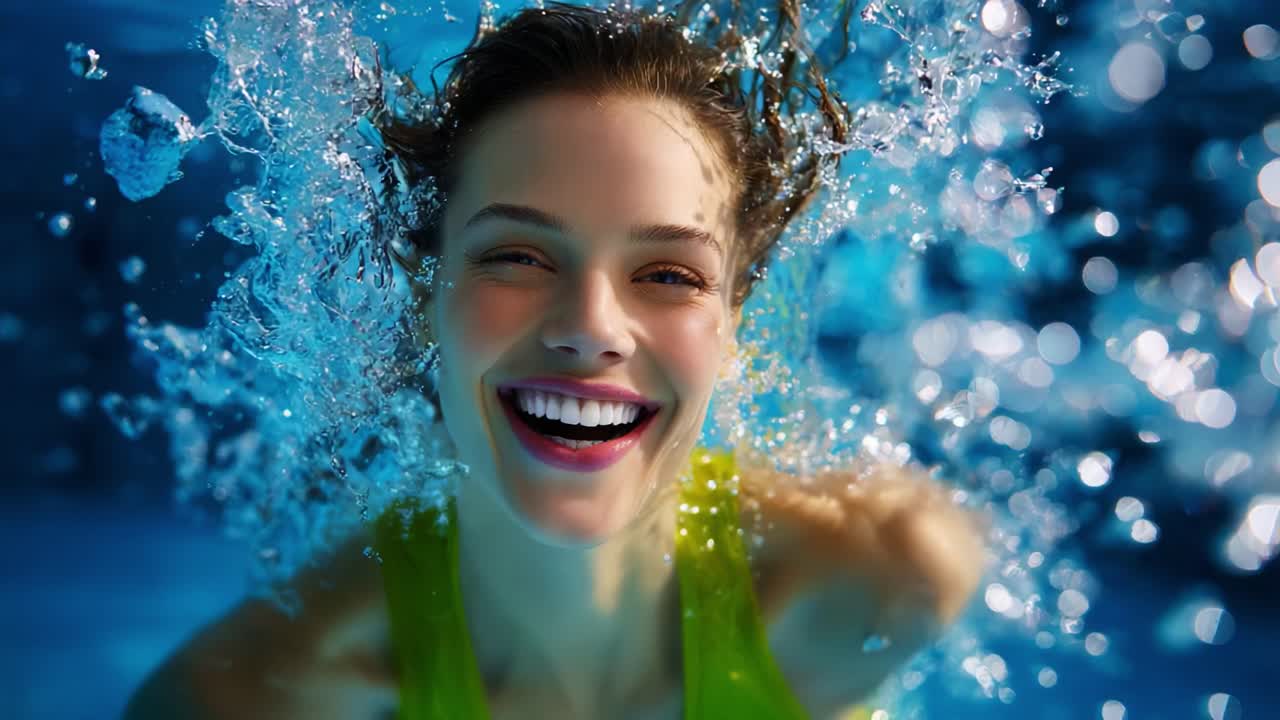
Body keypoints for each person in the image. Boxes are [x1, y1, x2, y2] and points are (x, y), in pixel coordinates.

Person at [122, 3, 983, 718]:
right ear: (421, 293)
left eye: (669, 274)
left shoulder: (869, 586)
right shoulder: (254, 698)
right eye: (518, 257)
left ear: (733, 326)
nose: (590, 327)